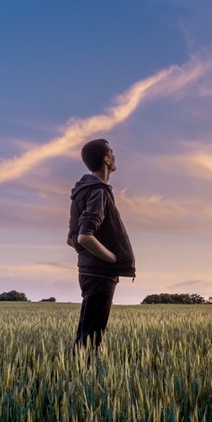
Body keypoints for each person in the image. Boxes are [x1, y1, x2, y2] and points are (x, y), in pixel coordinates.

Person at [67, 139, 136, 350]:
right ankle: (81, 378)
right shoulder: (98, 191)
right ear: (106, 159)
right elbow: (83, 237)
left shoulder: (81, 191)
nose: (115, 157)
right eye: (112, 153)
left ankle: (75, 374)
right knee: (92, 337)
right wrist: (113, 259)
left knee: (86, 333)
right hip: (100, 272)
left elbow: (71, 238)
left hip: (87, 270)